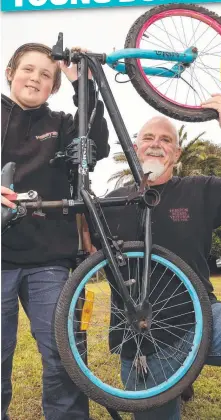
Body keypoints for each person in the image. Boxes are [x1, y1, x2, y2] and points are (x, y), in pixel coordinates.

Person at [86, 94, 221, 420]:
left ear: (177, 153)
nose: (156, 144)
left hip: (202, 320)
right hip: (142, 345)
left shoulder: (200, 190)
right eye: (148, 138)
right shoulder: (109, 204)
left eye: (166, 139)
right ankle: (176, 386)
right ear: (134, 147)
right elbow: (80, 246)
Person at [1, 42, 109, 420]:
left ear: (54, 87)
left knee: (64, 354)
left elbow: (96, 143)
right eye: (28, 69)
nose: (35, 78)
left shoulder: (62, 124)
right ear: (10, 73)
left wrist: (82, 81)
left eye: (46, 74)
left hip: (49, 260)